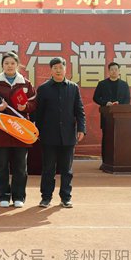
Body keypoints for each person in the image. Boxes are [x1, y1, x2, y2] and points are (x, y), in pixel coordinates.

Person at [0, 51, 37, 208]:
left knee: (20, 166)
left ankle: (19, 196)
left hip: (20, 131)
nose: (9, 66)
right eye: (6, 63)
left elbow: (34, 104)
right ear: (2, 65)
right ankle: (4, 196)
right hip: (1, 131)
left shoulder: (26, 84)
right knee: (1, 166)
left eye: (12, 63)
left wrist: (25, 107)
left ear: (17, 65)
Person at [35, 57, 86, 209]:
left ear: (65, 69)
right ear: (50, 70)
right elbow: (38, 113)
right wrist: (37, 131)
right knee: (48, 169)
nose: (58, 70)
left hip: (68, 135)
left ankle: (66, 197)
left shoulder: (73, 88)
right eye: (55, 68)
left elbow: (79, 110)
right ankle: (46, 198)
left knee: (67, 170)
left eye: (60, 67)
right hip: (49, 135)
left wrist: (81, 129)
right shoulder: (43, 89)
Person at [93, 62, 131, 166]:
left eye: (116, 69)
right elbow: (95, 98)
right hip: (107, 116)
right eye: (112, 69)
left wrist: (120, 105)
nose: (114, 71)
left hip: (120, 117)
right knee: (106, 139)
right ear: (108, 71)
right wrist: (105, 103)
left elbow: (127, 99)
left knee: (120, 139)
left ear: (119, 71)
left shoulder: (124, 85)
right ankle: (105, 162)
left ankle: (120, 161)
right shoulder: (102, 84)